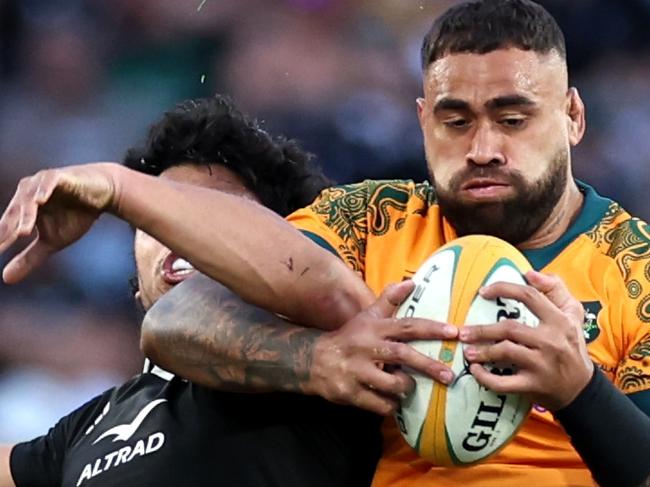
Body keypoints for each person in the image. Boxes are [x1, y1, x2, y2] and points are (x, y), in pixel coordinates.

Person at [0, 1, 649, 486]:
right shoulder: (369, 222)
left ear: (572, 116)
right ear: (422, 119)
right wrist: (316, 359)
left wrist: (580, 389)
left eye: (512, 119)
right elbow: (181, 314)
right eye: (456, 121)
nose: (483, 148)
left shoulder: (637, 267)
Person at [0, 95, 432, 487]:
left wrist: (117, 186)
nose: (180, 232)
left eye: (212, 211)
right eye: (158, 217)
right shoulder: (87, 428)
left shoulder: (341, 351)